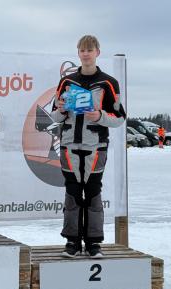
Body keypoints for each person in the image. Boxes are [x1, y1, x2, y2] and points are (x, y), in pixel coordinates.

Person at [50, 35, 126, 258]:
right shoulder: (67, 82)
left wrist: (100, 115)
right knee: (72, 193)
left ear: (97, 53)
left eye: (89, 50)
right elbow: (55, 115)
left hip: (96, 146)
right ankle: (72, 242)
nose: (85, 53)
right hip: (69, 145)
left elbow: (119, 117)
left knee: (93, 192)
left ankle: (94, 243)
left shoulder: (109, 82)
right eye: (82, 50)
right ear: (78, 53)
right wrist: (62, 111)